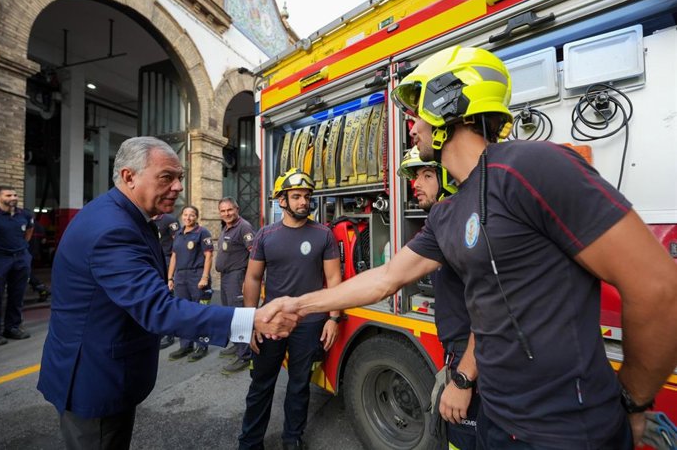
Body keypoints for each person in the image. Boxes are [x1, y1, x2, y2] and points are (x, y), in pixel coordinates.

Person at [278, 46, 677, 449]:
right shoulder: (448, 213)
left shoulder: (532, 167)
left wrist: (632, 400)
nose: (411, 127)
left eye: (417, 114)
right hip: (497, 421)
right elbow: (386, 278)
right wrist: (299, 306)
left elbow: (657, 288)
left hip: (569, 433)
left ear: (447, 102)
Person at [37, 136, 298, 450]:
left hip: (106, 373)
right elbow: (158, 309)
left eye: (180, 178)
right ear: (128, 177)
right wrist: (252, 320)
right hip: (95, 383)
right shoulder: (112, 229)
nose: (178, 187)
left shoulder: (128, 216)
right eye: (167, 177)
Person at [238, 168, 342, 450]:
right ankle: (250, 442)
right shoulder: (264, 235)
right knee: (261, 385)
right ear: (281, 201)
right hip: (271, 322)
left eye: (306, 197)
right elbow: (252, 278)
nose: (303, 202)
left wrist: (333, 318)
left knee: (299, 385)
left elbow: (333, 279)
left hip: (309, 324)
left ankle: (292, 438)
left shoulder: (324, 234)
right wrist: (249, 321)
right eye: (296, 197)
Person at [398, 146, 477, 449]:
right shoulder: (445, 222)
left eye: (426, 175)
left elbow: (493, 308)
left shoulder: (457, 222)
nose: (415, 184)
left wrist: (463, 378)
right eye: (415, 177)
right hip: (458, 353)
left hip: (471, 357)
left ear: (447, 177)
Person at [0, 186, 34, 345]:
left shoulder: (25, 214)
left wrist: (21, 251)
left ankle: (12, 328)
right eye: (8, 195)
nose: (13, 197)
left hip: (20, 260)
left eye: (15, 194)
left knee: (17, 295)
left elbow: (28, 232)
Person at [166, 205, 214, 362]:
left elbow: (208, 256)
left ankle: (201, 346)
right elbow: (174, 256)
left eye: (191, 215)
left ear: (196, 217)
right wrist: (170, 278)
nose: (188, 217)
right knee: (183, 312)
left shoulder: (202, 233)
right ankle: (186, 346)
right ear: (181, 216)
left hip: (196, 276)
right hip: (180, 277)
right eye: (185, 215)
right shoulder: (178, 234)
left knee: (199, 312)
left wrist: (205, 277)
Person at [215, 196, 256, 374]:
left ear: (237, 209)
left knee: (240, 317)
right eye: (223, 211)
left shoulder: (244, 227)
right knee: (230, 314)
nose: (227, 213)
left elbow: (254, 254)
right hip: (226, 277)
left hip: (237, 277)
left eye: (229, 210)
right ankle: (237, 345)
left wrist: (248, 279)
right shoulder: (227, 227)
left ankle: (245, 356)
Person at [151, 212, 180, 349]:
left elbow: (178, 242)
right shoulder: (148, 220)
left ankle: (170, 334)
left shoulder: (169, 219)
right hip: (153, 260)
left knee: (168, 296)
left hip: (167, 261)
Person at [28, 217, 51, 303]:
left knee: (26, 273)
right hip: (33, 252)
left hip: (24, 253)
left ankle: (41, 288)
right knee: (27, 273)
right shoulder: (40, 226)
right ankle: (41, 288)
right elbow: (44, 241)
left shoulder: (23, 223)